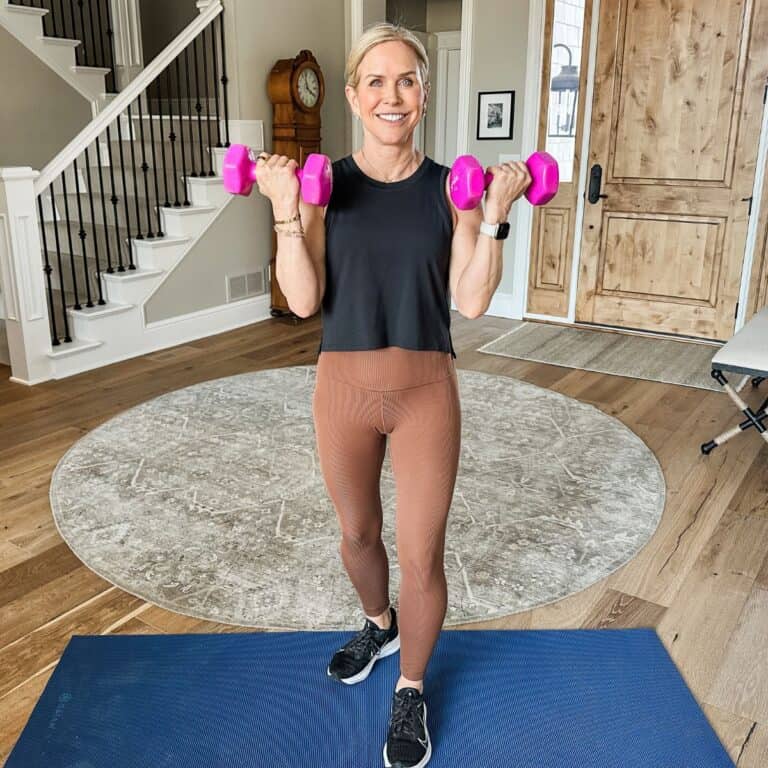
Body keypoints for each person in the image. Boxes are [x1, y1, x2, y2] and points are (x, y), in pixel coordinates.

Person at [253, 22, 531, 768]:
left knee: (423, 554)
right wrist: (284, 206)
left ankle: (410, 687)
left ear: (424, 92)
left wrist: (497, 215)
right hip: (341, 388)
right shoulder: (324, 186)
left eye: (406, 79)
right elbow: (304, 300)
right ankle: (379, 624)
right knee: (356, 535)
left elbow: (471, 301)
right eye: (375, 81)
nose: (391, 94)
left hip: (424, 393)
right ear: (352, 94)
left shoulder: (452, 188)